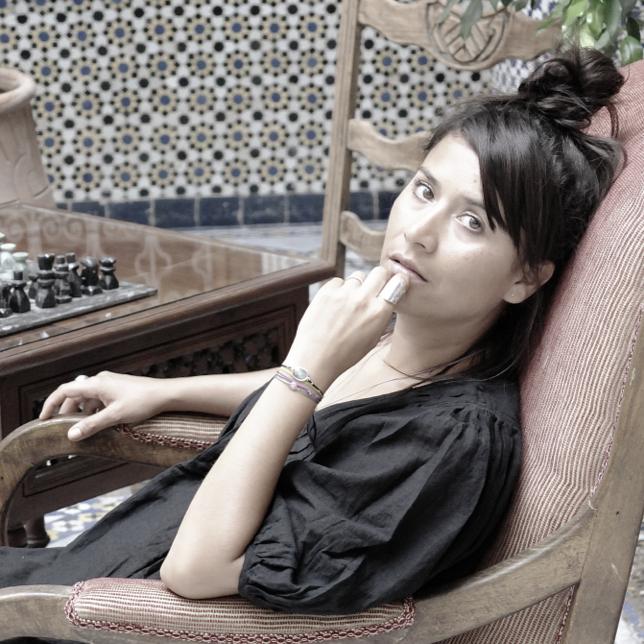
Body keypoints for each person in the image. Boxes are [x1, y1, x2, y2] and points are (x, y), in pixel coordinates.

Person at [0, 48, 624, 640]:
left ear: (525, 277)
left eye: (472, 221)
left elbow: (195, 570)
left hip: (109, 622)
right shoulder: (412, 352)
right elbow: (347, 399)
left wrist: (305, 367)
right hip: (87, 569)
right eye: (424, 190)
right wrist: (165, 391)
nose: (418, 232)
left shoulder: (448, 445)